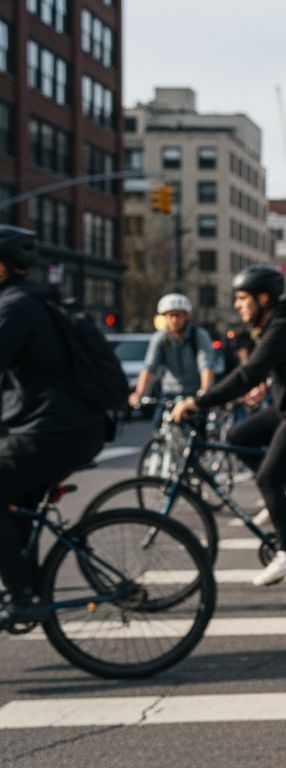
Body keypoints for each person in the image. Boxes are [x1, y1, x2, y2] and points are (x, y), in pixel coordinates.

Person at [170, 266, 286, 586]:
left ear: (262, 299)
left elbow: (248, 373)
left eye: (242, 298)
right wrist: (264, 387)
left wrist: (199, 402)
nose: (236, 305)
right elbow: (278, 370)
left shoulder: (283, 328)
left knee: (268, 478)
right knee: (239, 435)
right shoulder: (277, 324)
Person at [0, 227, 107, 629]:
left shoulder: (14, 308)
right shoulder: (32, 301)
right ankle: (25, 588)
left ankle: (21, 597)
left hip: (57, 431)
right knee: (15, 502)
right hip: (67, 427)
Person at [129, 293, 218, 422]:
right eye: (171, 315)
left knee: (199, 427)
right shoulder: (160, 338)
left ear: (186, 316)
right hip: (169, 393)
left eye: (178, 315)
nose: (174, 320)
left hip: (194, 393)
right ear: (164, 317)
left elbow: (206, 365)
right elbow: (149, 367)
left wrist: (204, 391)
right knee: (159, 426)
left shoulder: (199, 336)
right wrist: (138, 393)